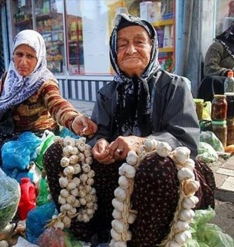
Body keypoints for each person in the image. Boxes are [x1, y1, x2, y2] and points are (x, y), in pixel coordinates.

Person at [43, 13, 215, 246]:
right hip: (119, 177)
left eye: (139, 42)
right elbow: (98, 134)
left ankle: (142, 241)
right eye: (123, 45)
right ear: (115, 53)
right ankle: (88, 230)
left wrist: (141, 143)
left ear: (152, 47)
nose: (131, 49)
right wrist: (99, 144)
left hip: (162, 179)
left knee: (155, 165)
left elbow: (186, 141)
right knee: (57, 152)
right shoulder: (108, 93)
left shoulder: (175, 86)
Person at [0, 29, 97, 166]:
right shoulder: (10, 76)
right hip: (11, 130)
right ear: (13, 55)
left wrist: (73, 119)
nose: (23, 62)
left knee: (9, 154)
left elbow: (57, 104)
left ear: (39, 58)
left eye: (30, 56)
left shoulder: (44, 83)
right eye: (19, 54)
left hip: (33, 136)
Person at [198, 23, 234, 101]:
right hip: (221, 91)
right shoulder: (218, 46)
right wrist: (227, 73)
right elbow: (209, 69)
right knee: (210, 81)